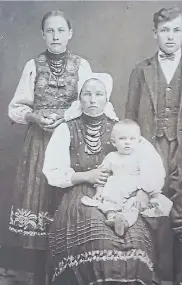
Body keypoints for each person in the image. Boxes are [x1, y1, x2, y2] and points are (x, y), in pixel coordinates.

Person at [43, 73, 164, 285]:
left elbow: (152, 163)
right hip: (81, 193)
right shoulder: (66, 129)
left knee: (134, 237)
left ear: (106, 99)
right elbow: (53, 171)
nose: (92, 99)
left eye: (98, 94)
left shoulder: (122, 130)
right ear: (79, 98)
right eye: (87, 94)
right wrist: (86, 176)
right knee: (98, 236)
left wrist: (144, 191)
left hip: (124, 194)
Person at [125, 6, 182, 285]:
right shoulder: (141, 71)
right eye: (164, 30)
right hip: (151, 153)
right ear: (155, 34)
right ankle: (154, 278)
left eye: (176, 30)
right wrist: (132, 160)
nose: (170, 36)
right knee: (151, 216)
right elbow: (129, 118)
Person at [8, 10, 92, 285]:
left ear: (70, 34)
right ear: (43, 35)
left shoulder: (81, 66)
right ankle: (36, 276)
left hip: (68, 142)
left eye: (60, 31)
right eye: (50, 31)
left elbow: (90, 103)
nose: (55, 36)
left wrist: (66, 120)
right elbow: (16, 107)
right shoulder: (33, 65)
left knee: (65, 203)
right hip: (39, 144)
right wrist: (35, 117)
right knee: (38, 199)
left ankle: (65, 273)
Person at [81, 119, 172, 237]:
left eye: (132, 139)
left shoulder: (140, 157)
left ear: (138, 141)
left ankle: (124, 222)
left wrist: (146, 191)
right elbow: (103, 175)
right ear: (114, 142)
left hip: (132, 193)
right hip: (115, 190)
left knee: (134, 207)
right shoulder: (111, 157)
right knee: (107, 204)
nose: (127, 142)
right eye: (122, 139)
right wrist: (99, 190)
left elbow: (149, 174)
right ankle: (112, 218)